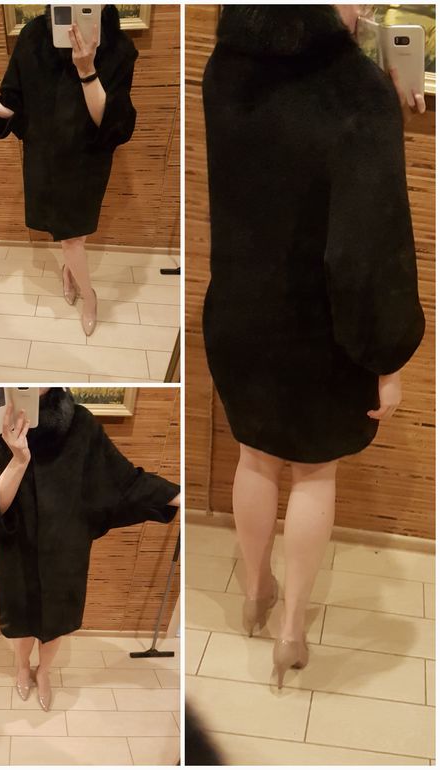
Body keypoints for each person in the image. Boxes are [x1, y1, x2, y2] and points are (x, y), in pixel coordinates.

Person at [202, 5, 425, 687]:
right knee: (313, 473)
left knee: (254, 458)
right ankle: (292, 631)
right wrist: (387, 359)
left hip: (238, 314)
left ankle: (254, 591)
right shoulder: (356, 91)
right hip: (318, 328)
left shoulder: (224, 69)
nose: (366, 7)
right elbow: (369, 248)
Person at [0, 387, 180, 711]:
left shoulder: (80, 424)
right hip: (15, 549)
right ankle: (22, 667)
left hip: (66, 551)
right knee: (21, 621)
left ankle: (44, 672)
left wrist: (175, 495)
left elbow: (122, 482)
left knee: (56, 623)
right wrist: (19, 460)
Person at [0, 5, 138, 336]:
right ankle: (89, 295)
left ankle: (70, 274)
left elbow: (110, 123)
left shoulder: (119, 47)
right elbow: (15, 105)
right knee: (71, 239)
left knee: (77, 234)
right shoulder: (33, 37)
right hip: (45, 160)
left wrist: (87, 69)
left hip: (87, 161)